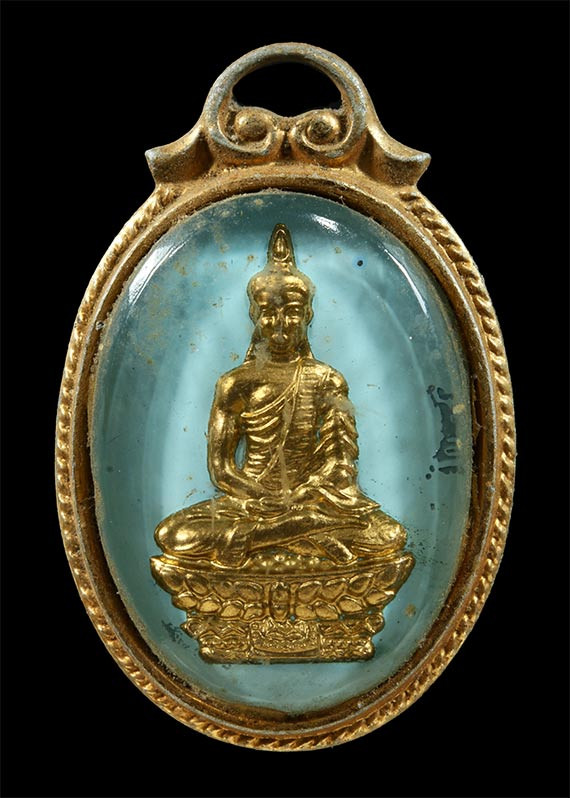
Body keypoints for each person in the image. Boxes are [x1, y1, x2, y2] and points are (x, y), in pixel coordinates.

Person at [155, 224, 407, 568]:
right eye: (269, 312)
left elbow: (340, 463)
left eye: (291, 313)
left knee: (389, 535)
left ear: (307, 315)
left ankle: (271, 535)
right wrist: (263, 498)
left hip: (310, 500)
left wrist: (302, 494)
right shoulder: (235, 383)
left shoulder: (326, 380)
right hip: (249, 503)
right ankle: (302, 532)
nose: (280, 323)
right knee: (173, 534)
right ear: (254, 316)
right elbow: (221, 469)